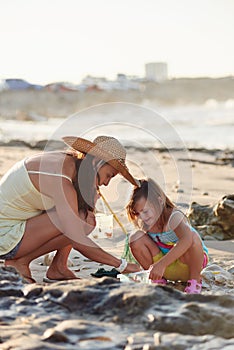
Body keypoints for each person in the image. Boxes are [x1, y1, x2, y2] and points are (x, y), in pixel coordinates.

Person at [0, 135, 140, 283]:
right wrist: (122, 265)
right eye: (109, 175)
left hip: (16, 226)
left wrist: (88, 199)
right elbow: (77, 237)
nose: (106, 183)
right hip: (5, 237)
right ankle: (19, 262)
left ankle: (59, 266)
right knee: (79, 222)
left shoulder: (69, 163)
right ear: (96, 163)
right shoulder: (60, 179)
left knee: (85, 217)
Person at [126, 178, 209, 294]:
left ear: (160, 201)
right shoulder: (146, 222)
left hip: (187, 265)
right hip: (163, 268)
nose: (142, 217)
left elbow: (187, 239)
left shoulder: (174, 217)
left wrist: (161, 264)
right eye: (138, 213)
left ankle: (195, 282)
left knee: (192, 237)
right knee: (135, 237)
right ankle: (158, 280)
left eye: (145, 212)